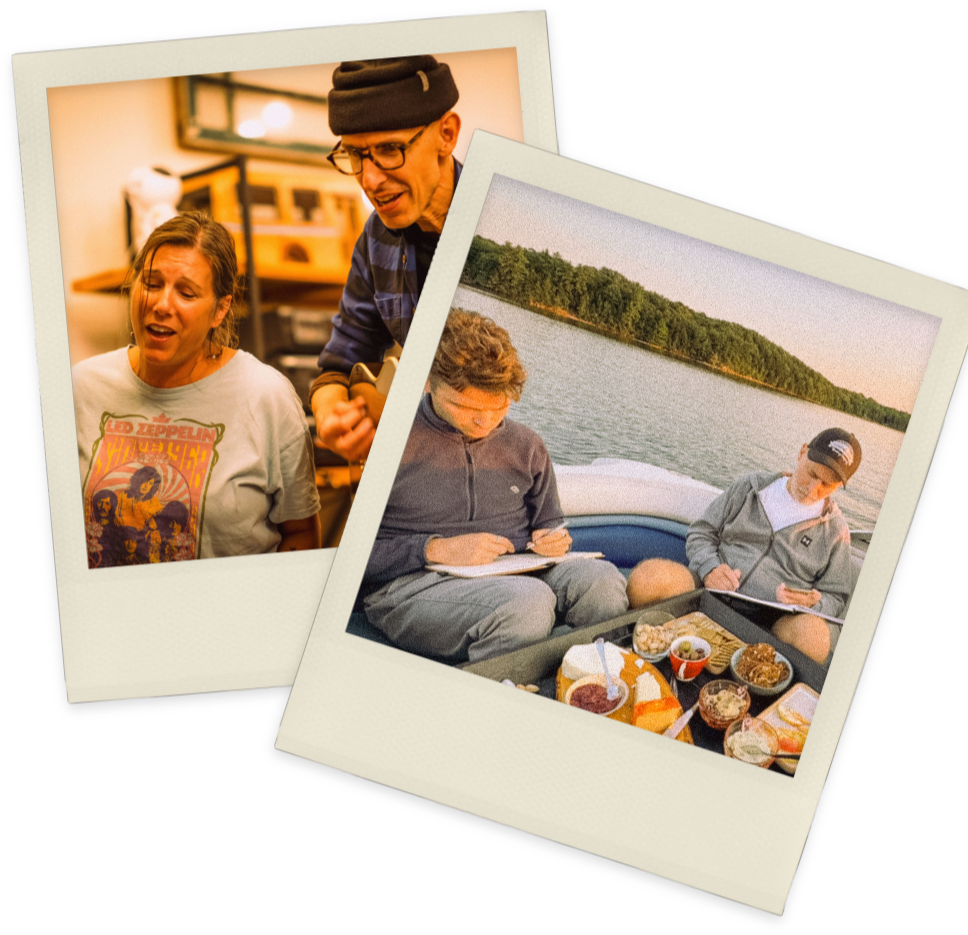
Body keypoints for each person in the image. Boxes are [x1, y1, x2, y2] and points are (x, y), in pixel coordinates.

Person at [360, 310, 629, 662]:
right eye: (466, 405)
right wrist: (435, 549)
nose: (484, 421)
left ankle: (591, 689)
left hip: (520, 568)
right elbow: (348, 559)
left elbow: (550, 525)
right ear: (427, 382)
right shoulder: (383, 438)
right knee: (527, 606)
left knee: (603, 582)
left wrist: (553, 540)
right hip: (413, 584)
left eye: (499, 405)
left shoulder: (528, 445)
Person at [72, 211, 322, 567]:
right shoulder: (81, 387)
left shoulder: (266, 396)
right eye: (151, 283)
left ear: (220, 309)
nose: (161, 305)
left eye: (186, 293)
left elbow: (300, 534)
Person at [309, 55, 463, 464]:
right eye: (356, 155)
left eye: (390, 150)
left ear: (446, 134)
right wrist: (330, 416)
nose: (371, 180)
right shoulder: (374, 240)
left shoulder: (501, 222)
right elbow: (338, 368)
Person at [626, 429, 862, 663]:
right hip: (708, 593)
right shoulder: (750, 487)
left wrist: (810, 604)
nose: (813, 489)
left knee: (814, 637)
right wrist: (710, 569)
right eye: (811, 473)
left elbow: (836, 596)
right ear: (802, 452)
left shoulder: (836, 532)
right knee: (646, 580)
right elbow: (702, 532)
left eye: (827, 485)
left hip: (773, 623)